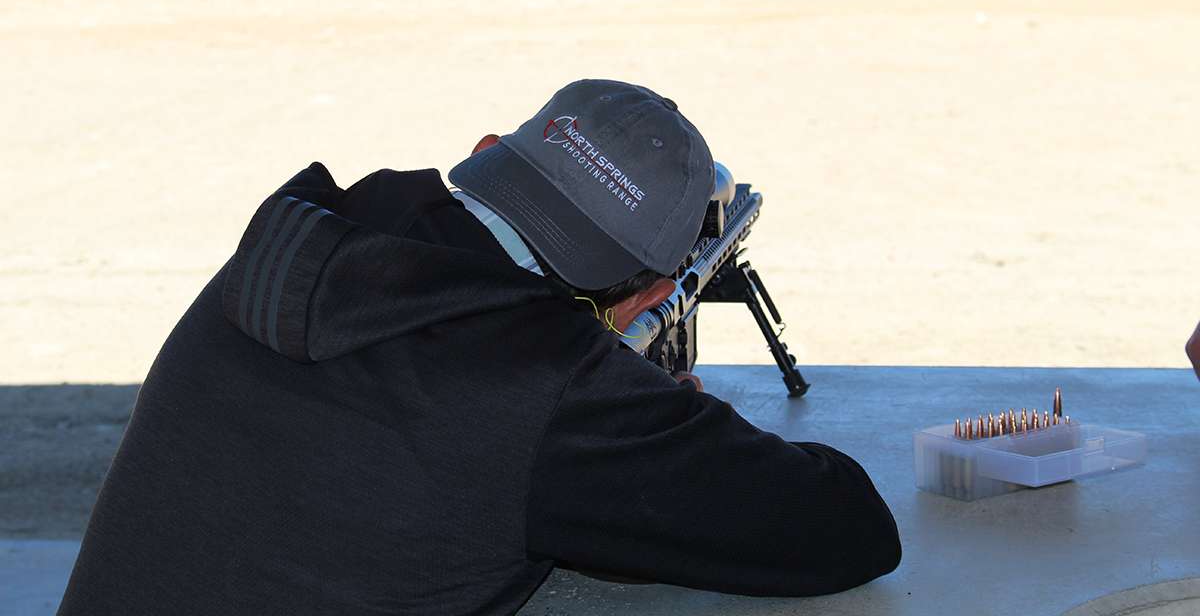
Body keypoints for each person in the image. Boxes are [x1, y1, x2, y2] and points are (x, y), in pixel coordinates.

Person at [59, 79, 900, 616]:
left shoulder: (297, 246)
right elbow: (845, 528)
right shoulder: (546, 390)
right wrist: (660, 420)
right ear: (647, 297)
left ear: (487, 151)